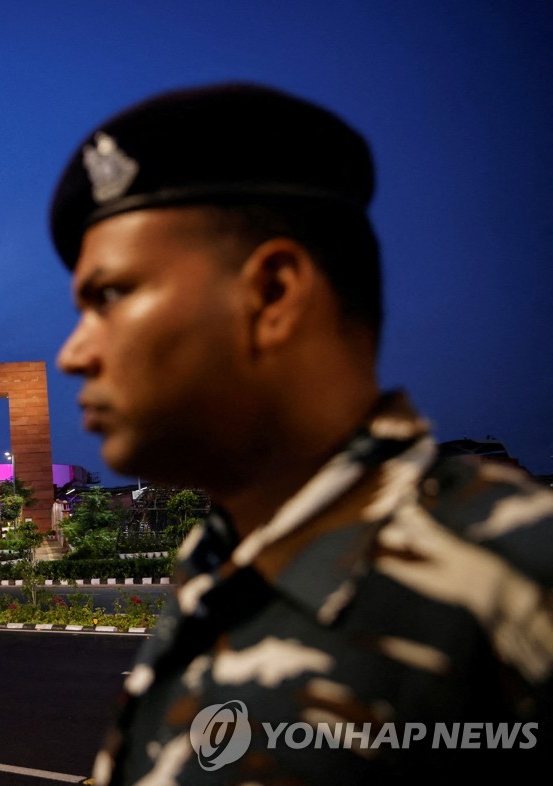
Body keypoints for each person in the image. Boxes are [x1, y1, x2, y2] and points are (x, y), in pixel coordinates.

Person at [48, 83, 553, 784]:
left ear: (275, 293)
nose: (74, 353)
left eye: (110, 296)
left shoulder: (518, 571)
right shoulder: (218, 566)